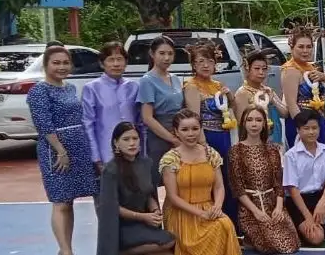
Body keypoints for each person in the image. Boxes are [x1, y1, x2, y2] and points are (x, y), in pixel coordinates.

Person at [29, 45, 100, 255]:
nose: (61, 67)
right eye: (56, 63)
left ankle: (65, 248)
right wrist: (60, 151)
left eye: (65, 63)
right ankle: (66, 250)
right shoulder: (39, 91)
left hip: (79, 148)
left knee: (69, 201)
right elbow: (43, 124)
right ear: (45, 65)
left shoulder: (69, 88)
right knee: (60, 201)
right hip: (56, 151)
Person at [158, 110, 241, 255]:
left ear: (201, 129)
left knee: (225, 224)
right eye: (185, 129)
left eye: (195, 129)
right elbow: (173, 197)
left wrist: (217, 207)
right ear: (176, 132)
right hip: (181, 211)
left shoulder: (211, 154)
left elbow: (219, 187)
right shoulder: (170, 159)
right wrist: (200, 214)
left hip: (208, 207)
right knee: (207, 233)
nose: (191, 134)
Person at [96, 122, 175, 255]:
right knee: (169, 241)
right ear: (116, 143)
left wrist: (155, 210)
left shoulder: (146, 163)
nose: (132, 143)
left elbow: (148, 194)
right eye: (126, 139)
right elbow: (112, 207)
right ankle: (121, 252)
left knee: (167, 252)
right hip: (122, 227)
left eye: (135, 138)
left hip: (144, 222)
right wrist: (143, 217)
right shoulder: (110, 170)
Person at [229, 107, 300, 254]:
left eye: (258, 120)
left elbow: (278, 183)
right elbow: (238, 188)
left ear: (264, 124)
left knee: (290, 245)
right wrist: (256, 212)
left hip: (272, 204)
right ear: (243, 123)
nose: (254, 124)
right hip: (250, 208)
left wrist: (279, 208)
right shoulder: (236, 151)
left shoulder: (272, 150)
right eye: (250, 120)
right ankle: (250, 237)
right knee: (271, 246)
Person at [182, 39, 237, 226]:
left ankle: (230, 223)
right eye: (200, 61)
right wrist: (204, 146)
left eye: (209, 61)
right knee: (211, 179)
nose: (205, 65)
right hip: (207, 137)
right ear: (193, 65)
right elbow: (195, 119)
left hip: (224, 136)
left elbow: (233, 109)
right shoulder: (191, 86)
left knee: (227, 178)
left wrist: (230, 96)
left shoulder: (218, 85)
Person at [282, 109, 325, 246]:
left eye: (314, 128)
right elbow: (292, 189)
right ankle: (304, 225)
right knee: (317, 239)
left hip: (318, 196)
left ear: (319, 129)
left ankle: (320, 222)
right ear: (298, 130)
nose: (311, 132)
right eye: (306, 128)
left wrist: (321, 203)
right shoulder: (291, 155)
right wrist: (308, 216)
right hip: (299, 201)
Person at [82, 42, 140, 173]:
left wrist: (143, 152)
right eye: (111, 60)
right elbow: (88, 124)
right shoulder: (92, 88)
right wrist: (96, 157)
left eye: (119, 59)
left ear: (126, 62)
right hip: (106, 151)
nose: (116, 64)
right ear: (102, 63)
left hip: (132, 150)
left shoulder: (134, 87)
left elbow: (140, 122)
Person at [138, 36, 184, 186]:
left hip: (179, 130)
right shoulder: (147, 80)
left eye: (170, 54)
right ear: (152, 54)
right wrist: (172, 139)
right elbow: (147, 117)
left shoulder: (175, 78)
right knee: (161, 179)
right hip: (159, 134)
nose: (166, 58)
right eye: (162, 53)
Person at [281, 23, 325, 147]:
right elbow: (292, 105)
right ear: (292, 48)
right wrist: (305, 129)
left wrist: (324, 78)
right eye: (301, 47)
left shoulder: (311, 67)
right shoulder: (290, 70)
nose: (305, 51)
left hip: (318, 121)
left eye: (309, 47)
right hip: (302, 125)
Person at [234, 49, 286, 145]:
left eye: (264, 69)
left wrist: (273, 101)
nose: (261, 72)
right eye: (257, 69)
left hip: (275, 140)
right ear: (247, 69)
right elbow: (242, 124)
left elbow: (285, 114)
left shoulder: (268, 90)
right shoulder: (242, 93)